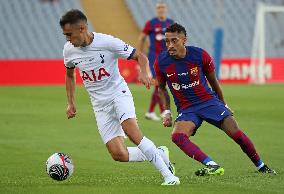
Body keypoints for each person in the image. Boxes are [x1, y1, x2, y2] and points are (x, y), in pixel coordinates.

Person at [59, 9, 180, 185]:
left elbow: (140, 56)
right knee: (119, 154)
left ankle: (169, 176)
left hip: (118, 94)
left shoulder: (107, 42)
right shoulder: (69, 50)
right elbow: (69, 75)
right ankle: (159, 153)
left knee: (133, 133)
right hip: (99, 105)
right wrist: (70, 103)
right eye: (65, 35)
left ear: (82, 28)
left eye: (69, 34)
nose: (68, 39)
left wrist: (144, 73)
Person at [154, 23, 276, 176]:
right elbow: (162, 88)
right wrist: (166, 112)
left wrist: (223, 103)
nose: (170, 45)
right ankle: (212, 165)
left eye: (174, 41)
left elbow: (213, 81)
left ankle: (261, 166)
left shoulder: (200, 55)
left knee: (235, 132)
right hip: (187, 108)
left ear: (184, 40)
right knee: (177, 136)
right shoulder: (161, 62)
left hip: (209, 102)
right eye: (167, 41)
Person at [138, 1, 174, 121]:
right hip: (155, 57)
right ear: (156, 10)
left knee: (161, 83)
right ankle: (162, 111)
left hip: (167, 57)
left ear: (166, 9)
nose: (161, 9)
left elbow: (177, 38)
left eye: (163, 7)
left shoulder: (170, 23)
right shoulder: (151, 23)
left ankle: (152, 111)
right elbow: (142, 38)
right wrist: (139, 53)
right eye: (159, 7)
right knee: (159, 83)